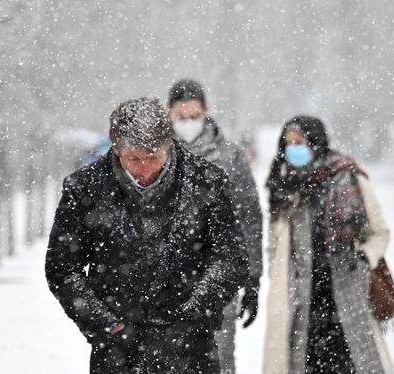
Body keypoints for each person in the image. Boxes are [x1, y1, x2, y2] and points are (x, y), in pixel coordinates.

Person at [45, 97, 249, 374]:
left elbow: (231, 259)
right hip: (118, 353)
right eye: (134, 159)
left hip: (191, 350)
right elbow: (62, 269)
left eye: (154, 157)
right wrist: (105, 324)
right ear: (116, 149)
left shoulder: (208, 182)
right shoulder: (85, 189)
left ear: (169, 143)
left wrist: (195, 314)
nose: (145, 170)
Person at [262, 116, 394, 374]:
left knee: (353, 363)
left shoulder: (347, 177)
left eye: (299, 142)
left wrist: (364, 258)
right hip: (300, 303)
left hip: (344, 297)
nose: (293, 149)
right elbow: (274, 242)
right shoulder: (283, 184)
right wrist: (277, 275)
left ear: (315, 142)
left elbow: (379, 232)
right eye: (288, 143)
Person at [168, 79, 264, 374]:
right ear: (169, 113)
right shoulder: (157, 155)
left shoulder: (230, 157)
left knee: (219, 359)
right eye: (181, 117)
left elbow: (249, 218)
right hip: (166, 280)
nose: (187, 123)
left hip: (219, 276)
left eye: (193, 116)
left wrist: (252, 277)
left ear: (206, 111)